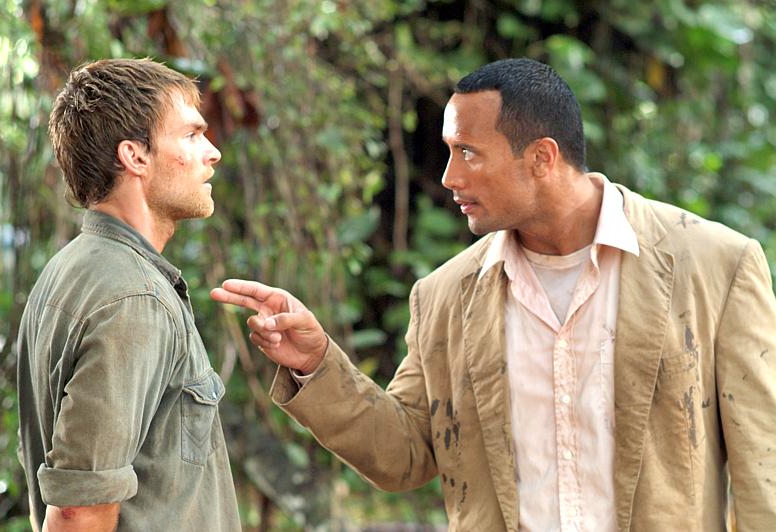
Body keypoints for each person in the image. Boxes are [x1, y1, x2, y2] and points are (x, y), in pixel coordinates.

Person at [211, 58, 776, 531]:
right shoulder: (442, 296)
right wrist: (316, 364)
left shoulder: (717, 267)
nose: (450, 177)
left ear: (542, 158)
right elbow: (405, 454)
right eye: (449, 151)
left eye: (469, 152)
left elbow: (763, 466)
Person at [17, 58, 241, 531]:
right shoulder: (133, 298)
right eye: (192, 135)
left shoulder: (67, 270)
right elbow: (79, 513)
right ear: (135, 156)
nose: (213, 152)